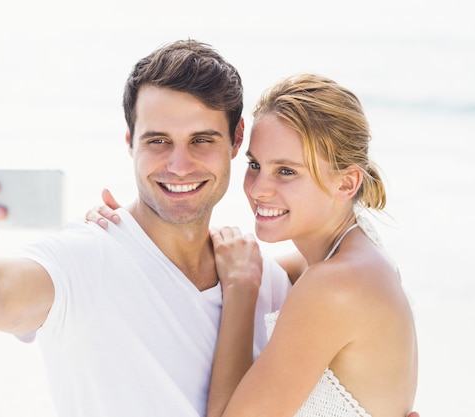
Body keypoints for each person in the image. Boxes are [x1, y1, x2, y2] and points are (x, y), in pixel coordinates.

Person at [0, 39, 292, 417]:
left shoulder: (262, 281)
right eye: (158, 140)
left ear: (236, 138)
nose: (179, 165)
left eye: (201, 140)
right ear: (130, 142)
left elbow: (337, 268)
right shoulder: (84, 258)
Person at [89, 74, 419, 417]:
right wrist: (135, 229)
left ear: (347, 183)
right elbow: (226, 258)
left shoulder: (334, 286)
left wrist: (241, 290)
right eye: (255, 165)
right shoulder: (350, 254)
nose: (259, 189)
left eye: (286, 172)